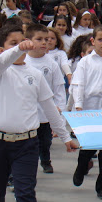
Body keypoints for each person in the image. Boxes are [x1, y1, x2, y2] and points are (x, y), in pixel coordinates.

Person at [0, 24, 78, 201]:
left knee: (26, 193)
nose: (21, 46)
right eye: (13, 43)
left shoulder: (35, 74)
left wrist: (66, 137)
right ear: (1, 49)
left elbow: (49, 108)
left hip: (26, 144)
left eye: (23, 41)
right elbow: (1, 62)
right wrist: (17, 49)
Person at [72, 24, 102, 200]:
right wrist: (79, 105)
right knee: (88, 148)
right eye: (100, 40)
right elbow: (79, 84)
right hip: (90, 109)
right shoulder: (85, 62)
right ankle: (81, 167)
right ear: (93, 41)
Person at [24, 24, 66, 174]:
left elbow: (59, 88)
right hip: (27, 114)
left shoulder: (52, 64)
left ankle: (46, 160)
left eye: (46, 39)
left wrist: (59, 109)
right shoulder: (23, 61)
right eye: (39, 39)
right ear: (28, 40)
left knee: (45, 141)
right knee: (28, 145)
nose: (44, 42)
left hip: (46, 114)